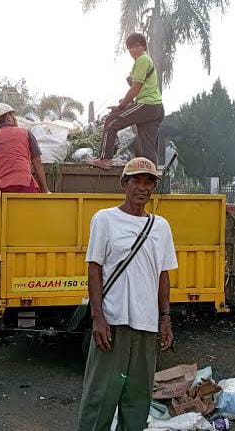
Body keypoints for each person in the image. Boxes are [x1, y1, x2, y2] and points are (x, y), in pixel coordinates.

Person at [77, 157, 178, 430]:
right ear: (124, 183)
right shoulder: (105, 219)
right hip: (114, 322)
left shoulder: (161, 227)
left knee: (137, 399)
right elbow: (94, 269)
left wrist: (165, 319)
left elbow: (163, 274)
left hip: (146, 325)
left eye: (148, 182)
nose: (142, 188)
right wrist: (98, 317)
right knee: (101, 397)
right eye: (136, 180)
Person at [90, 33, 165, 169]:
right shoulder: (143, 62)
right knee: (148, 146)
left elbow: (135, 88)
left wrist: (121, 106)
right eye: (129, 48)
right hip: (156, 108)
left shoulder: (143, 59)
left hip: (147, 105)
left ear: (142, 47)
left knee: (111, 121)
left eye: (135, 46)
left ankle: (105, 159)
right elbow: (133, 81)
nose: (132, 50)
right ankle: (151, 172)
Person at [0, 103, 50, 193]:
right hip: (25, 186)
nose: (15, 118)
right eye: (13, 115)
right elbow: (37, 162)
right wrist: (45, 190)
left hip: (1, 189)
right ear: (8, 117)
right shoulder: (25, 133)